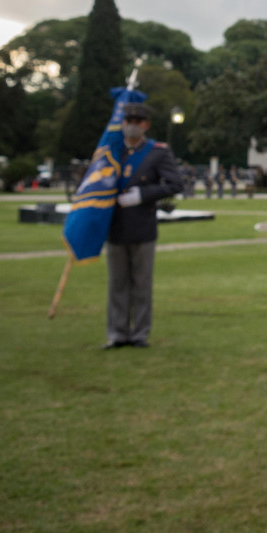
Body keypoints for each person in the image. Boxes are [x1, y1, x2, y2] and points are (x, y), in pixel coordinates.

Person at [104, 103, 185, 350]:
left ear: (146, 125)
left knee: (141, 284)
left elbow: (175, 184)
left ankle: (139, 333)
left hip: (142, 224)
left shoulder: (157, 152)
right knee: (117, 284)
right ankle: (117, 333)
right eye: (129, 120)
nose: (132, 125)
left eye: (138, 121)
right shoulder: (112, 150)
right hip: (115, 225)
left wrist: (144, 194)